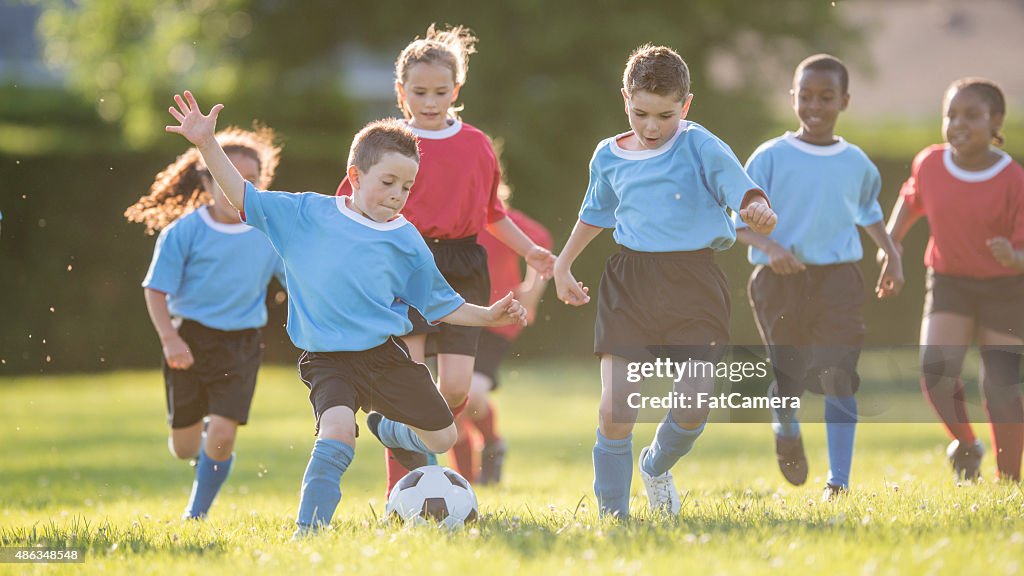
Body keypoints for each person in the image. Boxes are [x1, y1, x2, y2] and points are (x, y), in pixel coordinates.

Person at [164, 91, 527, 534]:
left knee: (444, 436)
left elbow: (441, 304)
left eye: (407, 187)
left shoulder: (405, 238)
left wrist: (489, 316)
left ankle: (391, 430)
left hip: (385, 356)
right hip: (328, 361)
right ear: (355, 175)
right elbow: (243, 194)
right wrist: (206, 143)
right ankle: (308, 531)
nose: (398, 195)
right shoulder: (305, 214)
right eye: (388, 182)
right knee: (335, 433)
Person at [553, 45, 777, 518]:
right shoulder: (608, 156)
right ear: (625, 99)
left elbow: (741, 190)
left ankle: (655, 465)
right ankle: (613, 517)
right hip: (630, 284)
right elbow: (595, 213)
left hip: (694, 282)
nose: (651, 127)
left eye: (665, 115)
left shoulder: (700, 144)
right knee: (615, 410)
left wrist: (756, 207)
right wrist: (562, 264)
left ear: (686, 105)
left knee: (694, 406)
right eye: (640, 114)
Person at [336, 24, 555, 495]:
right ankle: (405, 491)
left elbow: (493, 213)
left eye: (440, 91)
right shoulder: (384, 142)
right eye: (419, 92)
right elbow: (350, 202)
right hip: (403, 261)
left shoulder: (476, 144)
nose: (430, 101)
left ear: (456, 90)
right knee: (408, 383)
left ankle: (402, 435)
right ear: (401, 92)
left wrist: (530, 250)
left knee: (456, 389)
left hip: (461, 266)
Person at [735, 54, 903, 501]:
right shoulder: (770, 156)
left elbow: (869, 215)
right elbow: (736, 220)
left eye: (826, 97)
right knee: (790, 376)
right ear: (793, 98)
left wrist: (892, 254)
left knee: (839, 374)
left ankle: (839, 482)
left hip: (839, 280)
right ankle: (785, 425)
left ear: (844, 100)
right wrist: (771, 250)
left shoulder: (858, 163)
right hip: (777, 283)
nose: (815, 105)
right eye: (805, 96)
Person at [126, 125, 286, 519]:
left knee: (224, 434)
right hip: (190, 342)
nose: (237, 187)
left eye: (249, 180)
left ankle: (196, 514)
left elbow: (298, 280)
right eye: (228, 176)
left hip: (241, 345)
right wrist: (170, 340)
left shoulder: (269, 233)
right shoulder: (184, 233)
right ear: (207, 179)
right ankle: (206, 449)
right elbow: (155, 291)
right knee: (184, 447)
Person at [884, 77, 1024, 482]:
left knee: (999, 388)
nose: (959, 123)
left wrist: (1012, 256)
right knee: (935, 371)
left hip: (1005, 288)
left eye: (972, 115)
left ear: (996, 121)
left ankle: (1009, 479)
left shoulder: (1013, 178)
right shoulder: (930, 163)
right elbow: (911, 201)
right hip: (949, 282)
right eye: (951, 114)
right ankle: (966, 444)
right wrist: (891, 245)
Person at [448, 173, 553, 485]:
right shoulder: (452, 223)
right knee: (451, 403)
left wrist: (531, 296)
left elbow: (542, 244)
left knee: (474, 395)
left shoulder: (506, 222)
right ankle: (465, 482)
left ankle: (492, 443)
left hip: (498, 321)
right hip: (459, 317)